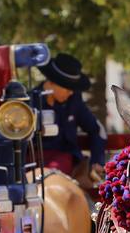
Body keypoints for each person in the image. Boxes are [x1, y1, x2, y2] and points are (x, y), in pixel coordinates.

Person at [30, 54, 105, 182]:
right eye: (68, 87)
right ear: (52, 83)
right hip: (32, 159)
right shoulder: (29, 103)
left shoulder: (74, 101)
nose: (71, 92)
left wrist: (97, 160)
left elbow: (96, 130)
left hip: (66, 158)